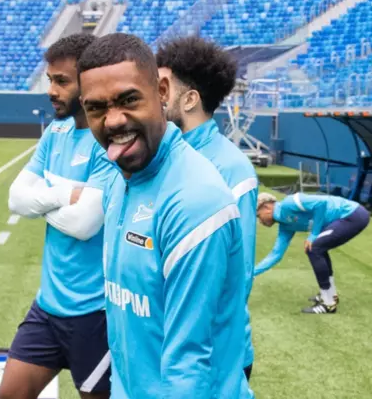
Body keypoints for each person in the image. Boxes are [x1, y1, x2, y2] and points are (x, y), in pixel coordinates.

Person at [78, 32, 252, 399]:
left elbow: (189, 366)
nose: (113, 121)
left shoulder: (194, 199)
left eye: (129, 100)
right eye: (96, 108)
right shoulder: (120, 178)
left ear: (161, 91)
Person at [0, 34, 112, 399]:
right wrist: (66, 194)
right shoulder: (55, 132)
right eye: (50, 79)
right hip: (48, 307)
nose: (51, 90)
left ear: (89, 82)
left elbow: (84, 225)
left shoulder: (109, 140)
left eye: (61, 81)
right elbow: (15, 199)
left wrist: (42, 200)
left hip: (95, 312)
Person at [156, 36, 259, 382]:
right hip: (159, 345)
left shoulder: (233, 169)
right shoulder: (158, 158)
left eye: (162, 87)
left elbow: (238, 277)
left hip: (212, 357)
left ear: (189, 99)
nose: (154, 95)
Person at [255, 192, 370, 314]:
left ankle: (328, 303)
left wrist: (313, 234)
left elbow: (321, 203)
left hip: (352, 215)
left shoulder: (289, 203)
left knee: (314, 248)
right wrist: (252, 273)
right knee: (318, 248)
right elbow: (276, 254)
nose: (260, 221)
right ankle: (331, 295)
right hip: (347, 218)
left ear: (266, 207)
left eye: (258, 215)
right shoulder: (285, 226)